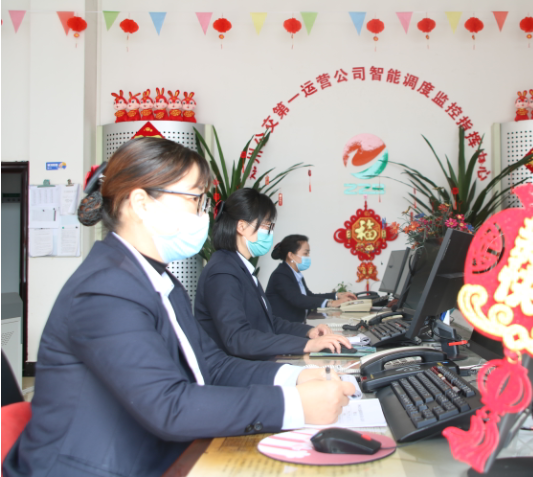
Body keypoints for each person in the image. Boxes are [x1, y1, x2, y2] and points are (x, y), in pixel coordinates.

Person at [2, 138, 354, 477]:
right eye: (195, 200)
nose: (204, 215)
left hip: (155, 454)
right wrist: (294, 405)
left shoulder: (156, 279)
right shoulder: (105, 289)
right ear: (142, 204)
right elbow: (168, 406)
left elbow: (210, 364)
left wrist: (295, 378)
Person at [194, 188, 352, 359]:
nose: (269, 232)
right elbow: (239, 339)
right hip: (234, 369)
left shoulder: (239, 268)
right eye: (266, 225)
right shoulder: (222, 272)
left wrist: (309, 332)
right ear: (241, 226)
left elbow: (268, 322)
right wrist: (306, 345)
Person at [266, 235, 358, 324]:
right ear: (291, 255)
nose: (308, 256)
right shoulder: (281, 274)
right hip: (283, 329)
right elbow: (298, 299)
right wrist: (331, 303)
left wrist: (337, 295)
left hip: (297, 325)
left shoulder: (295, 274)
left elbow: (309, 296)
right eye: (305, 253)